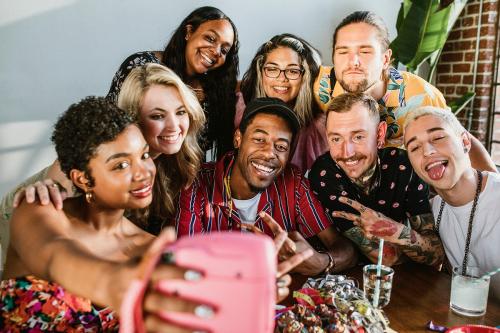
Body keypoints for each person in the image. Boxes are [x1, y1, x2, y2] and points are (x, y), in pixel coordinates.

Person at [0, 97, 203, 332]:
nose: (143, 173)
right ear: (83, 179)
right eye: (121, 165)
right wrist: (110, 283)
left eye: (144, 156)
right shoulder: (39, 208)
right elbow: (55, 255)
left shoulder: (149, 249)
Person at [0, 64, 205, 263]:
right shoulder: (95, 153)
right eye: (157, 116)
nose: (174, 126)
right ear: (134, 119)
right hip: (28, 205)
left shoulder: (176, 156)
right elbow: (67, 225)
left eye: (180, 112)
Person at [176, 97, 357, 276]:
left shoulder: (293, 181)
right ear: (238, 138)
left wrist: (322, 261)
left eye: (280, 146)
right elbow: (184, 264)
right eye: (259, 140)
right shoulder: (196, 184)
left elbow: (345, 249)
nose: (270, 153)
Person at [313, 10, 497, 172]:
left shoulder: (420, 95)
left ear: (385, 59)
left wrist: (494, 192)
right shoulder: (321, 86)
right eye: (343, 52)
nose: (353, 62)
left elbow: (463, 142)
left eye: (365, 51)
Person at [309, 93, 443, 267]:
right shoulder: (324, 173)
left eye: (358, 137)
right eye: (336, 139)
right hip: (345, 279)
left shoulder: (403, 166)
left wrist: (395, 230)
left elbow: (436, 254)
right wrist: (412, 244)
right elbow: (388, 257)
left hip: (403, 282)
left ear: (379, 134)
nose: (346, 152)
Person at [107, 6, 239, 158]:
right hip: (132, 164)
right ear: (189, 32)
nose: (216, 51)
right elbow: (111, 124)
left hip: (182, 175)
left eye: (224, 50)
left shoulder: (217, 92)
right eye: (210, 38)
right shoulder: (142, 67)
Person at [403, 106, 500, 299]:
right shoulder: (433, 210)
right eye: (414, 147)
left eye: (438, 138)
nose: (427, 152)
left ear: (465, 141)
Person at [239, 33, 327, 171]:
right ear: (260, 72)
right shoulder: (238, 108)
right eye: (272, 69)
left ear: (305, 76)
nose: (282, 78)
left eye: (292, 71)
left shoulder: (320, 126)